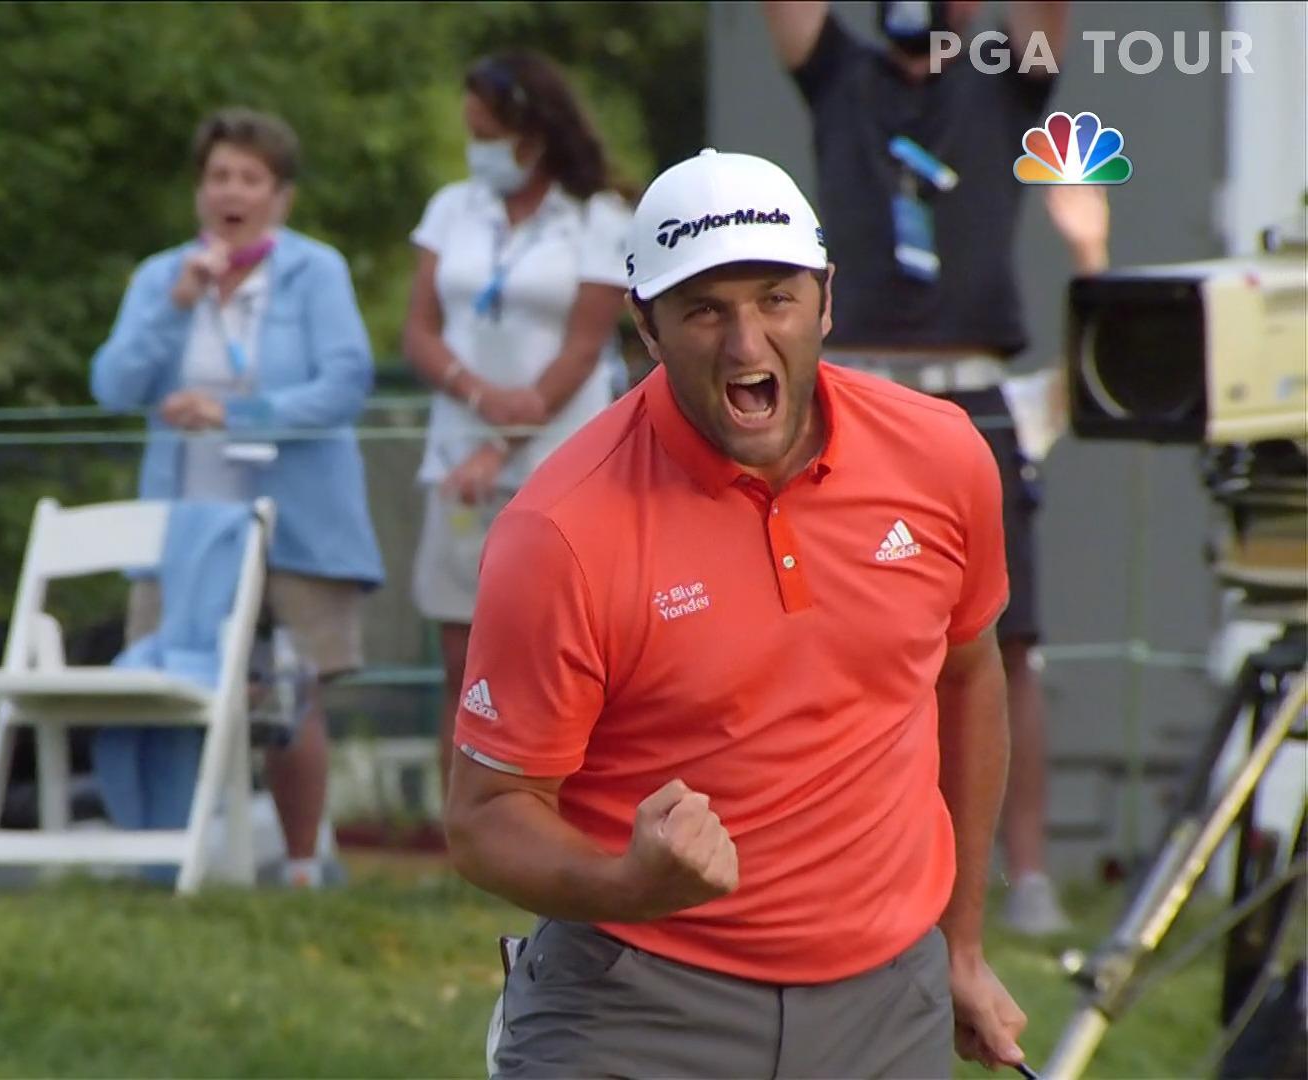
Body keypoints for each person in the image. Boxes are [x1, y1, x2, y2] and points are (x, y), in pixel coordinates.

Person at [444, 148, 1029, 1077]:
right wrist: (624, 884)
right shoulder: (558, 531)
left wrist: (958, 944)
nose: (747, 343)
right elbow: (484, 815)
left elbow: (969, 672)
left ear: (827, 300)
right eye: (705, 308)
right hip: (640, 999)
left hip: (889, 1003)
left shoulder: (943, 455)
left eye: (775, 298)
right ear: (646, 325)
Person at [764, 0, 1077, 937]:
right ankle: (837, 852)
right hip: (855, 389)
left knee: (1004, 642)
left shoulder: (1003, 84)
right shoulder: (843, 80)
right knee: (827, 628)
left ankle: (1022, 874)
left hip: (973, 396)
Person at [90, 107, 384, 888]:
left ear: (280, 196)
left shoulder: (315, 271)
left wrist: (239, 413)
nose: (233, 191)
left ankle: (297, 868)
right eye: (219, 175)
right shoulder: (161, 277)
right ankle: (166, 867)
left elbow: (345, 383)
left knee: (293, 698)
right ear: (199, 191)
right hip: (185, 523)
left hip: (296, 521)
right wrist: (175, 305)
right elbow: (113, 385)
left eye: (251, 178)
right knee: (161, 691)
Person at [402, 50, 631, 784]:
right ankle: (460, 828)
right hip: (458, 462)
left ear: (533, 134)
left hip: (561, 463)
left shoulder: (598, 215)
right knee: (461, 656)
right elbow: (421, 330)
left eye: (489, 132)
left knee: (564, 647)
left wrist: (503, 443)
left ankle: (565, 809)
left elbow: (583, 346)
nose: (479, 149)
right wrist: (475, 395)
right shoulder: (451, 207)